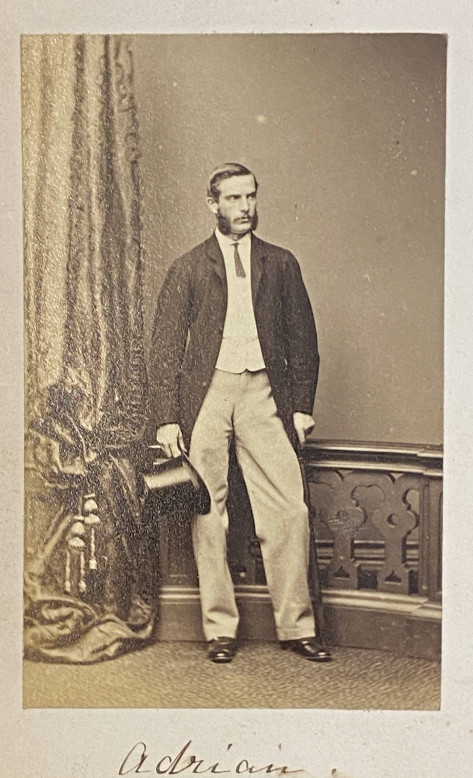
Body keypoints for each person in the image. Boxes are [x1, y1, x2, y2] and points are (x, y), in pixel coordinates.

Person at [149, 162, 330, 663]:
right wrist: (167, 417)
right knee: (208, 512)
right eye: (232, 198)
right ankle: (220, 630)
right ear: (213, 204)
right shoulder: (188, 267)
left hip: (264, 393)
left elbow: (303, 339)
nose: (244, 207)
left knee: (289, 509)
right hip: (207, 395)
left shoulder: (281, 263)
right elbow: (165, 349)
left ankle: (297, 627)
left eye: (250, 196)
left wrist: (302, 406)